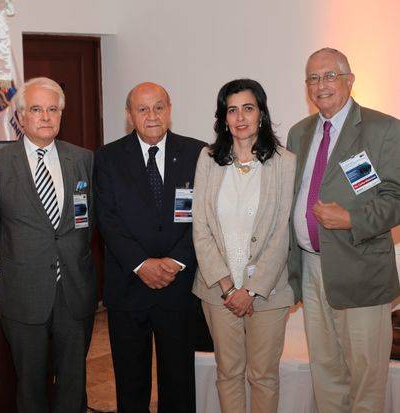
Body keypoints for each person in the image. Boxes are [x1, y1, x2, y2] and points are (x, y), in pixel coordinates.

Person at [287, 47, 400, 413]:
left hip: (361, 269)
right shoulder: (298, 133)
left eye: (329, 75)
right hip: (312, 269)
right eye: (313, 78)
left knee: (366, 378)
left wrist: (353, 219)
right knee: (326, 372)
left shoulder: (382, 128)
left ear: (349, 80)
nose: (321, 85)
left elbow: (396, 196)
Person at [0, 77, 95, 413]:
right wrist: (27, 256)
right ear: (21, 116)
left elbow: (89, 221)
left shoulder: (83, 159)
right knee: (29, 385)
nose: (46, 117)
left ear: (61, 114)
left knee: (74, 382)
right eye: (37, 109)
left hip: (74, 289)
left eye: (53, 109)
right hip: (24, 291)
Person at [94, 82, 205, 412]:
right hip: (128, 287)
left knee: (180, 382)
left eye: (159, 107)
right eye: (142, 109)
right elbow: (107, 220)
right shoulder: (108, 157)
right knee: (131, 383)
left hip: (179, 286)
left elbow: (205, 217)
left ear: (170, 110)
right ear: (129, 116)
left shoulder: (198, 153)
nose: (152, 115)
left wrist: (175, 261)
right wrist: (143, 264)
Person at [192, 79, 295, 413]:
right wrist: (227, 288)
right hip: (217, 290)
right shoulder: (208, 159)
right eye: (231, 110)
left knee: (263, 376)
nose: (240, 117)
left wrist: (249, 291)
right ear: (223, 118)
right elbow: (201, 227)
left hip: (267, 292)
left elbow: (282, 232)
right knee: (228, 373)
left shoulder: (284, 162)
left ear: (261, 114)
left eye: (248, 108)